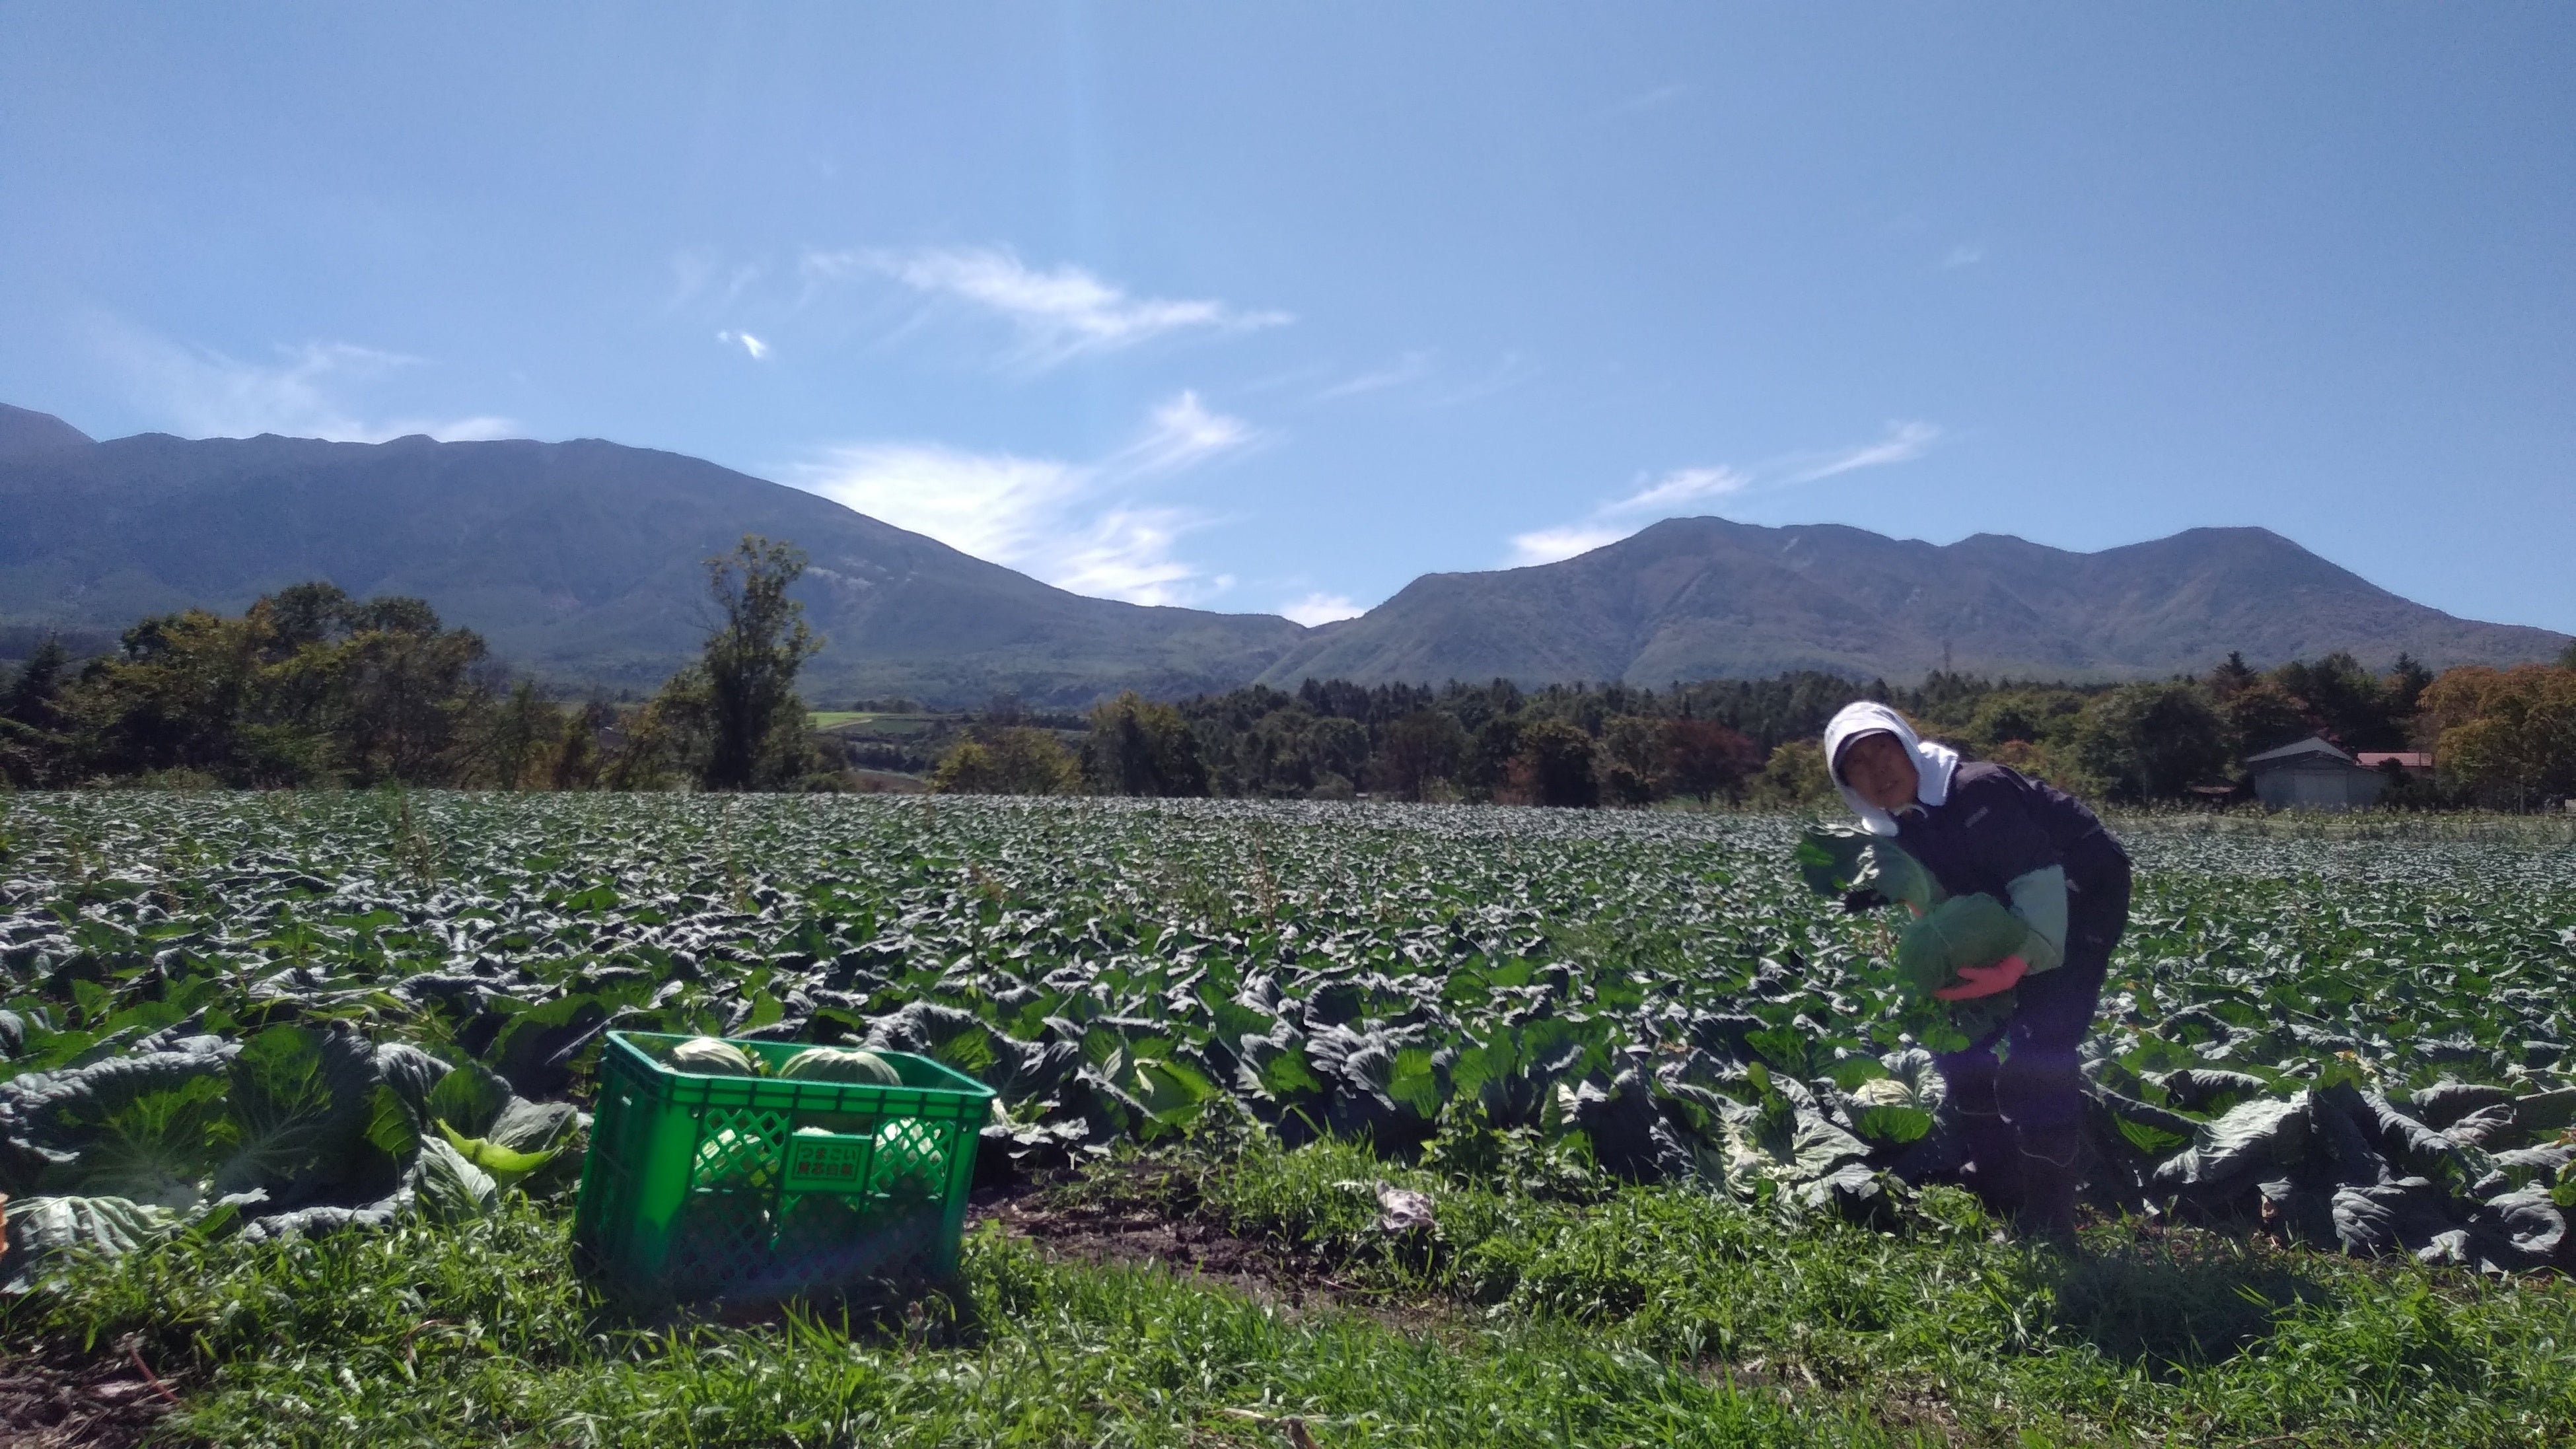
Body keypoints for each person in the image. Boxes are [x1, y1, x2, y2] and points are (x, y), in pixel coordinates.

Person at [1820, 700, 2131, 1242]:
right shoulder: (1897, 827)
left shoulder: (1977, 792)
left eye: (1885, 749)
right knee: (1958, 1036)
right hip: (2000, 905)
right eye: (1859, 763)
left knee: (2041, 1044)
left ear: (1909, 746)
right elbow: (1934, 900)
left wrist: (2014, 966)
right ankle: (1997, 1179)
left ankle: (2050, 1222)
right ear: (1847, 782)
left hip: (2081, 896)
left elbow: (2037, 882)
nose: (1879, 769)